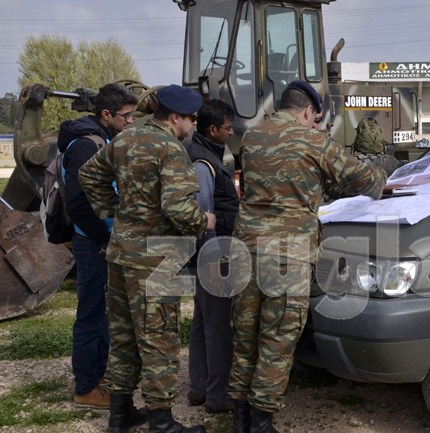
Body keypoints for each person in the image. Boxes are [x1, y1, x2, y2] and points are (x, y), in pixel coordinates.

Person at [229, 80, 386, 433]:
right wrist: (382, 173)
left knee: (245, 336)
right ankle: (261, 422)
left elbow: (291, 179)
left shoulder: (251, 138)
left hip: (245, 250)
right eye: (315, 118)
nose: (315, 124)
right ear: (307, 111)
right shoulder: (314, 140)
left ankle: (239, 417)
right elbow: (363, 179)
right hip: (287, 257)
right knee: (277, 340)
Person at [79, 84, 216, 433]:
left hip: (121, 254)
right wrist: (205, 221)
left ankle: (120, 414)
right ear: (174, 118)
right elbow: (178, 209)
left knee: (123, 337)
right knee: (159, 339)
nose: (195, 124)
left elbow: (89, 174)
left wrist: (115, 213)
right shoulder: (171, 150)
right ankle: (162, 423)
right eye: (192, 118)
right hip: (155, 259)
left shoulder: (126, 138)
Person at [59, 82, 138, 411]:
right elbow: (78, 202)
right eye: (126, 116)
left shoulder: (103, 140)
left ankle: (99, 376)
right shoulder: (85, 146)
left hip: (101, 240)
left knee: (104, 314)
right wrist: (105, 239)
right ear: (106, 114)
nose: (130, 121)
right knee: (91, 315)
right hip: (92, 243)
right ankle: (87, 388)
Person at [185, 99, 239, 414]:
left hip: (206, 252)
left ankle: (199, 388)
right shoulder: (203, 164)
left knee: (201, 320)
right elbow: (203, 214)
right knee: (218, 326)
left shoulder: (207, 155)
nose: (231, 133)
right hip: (212, 252)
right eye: (228, 128)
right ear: (212, 129)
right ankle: (218, 397)